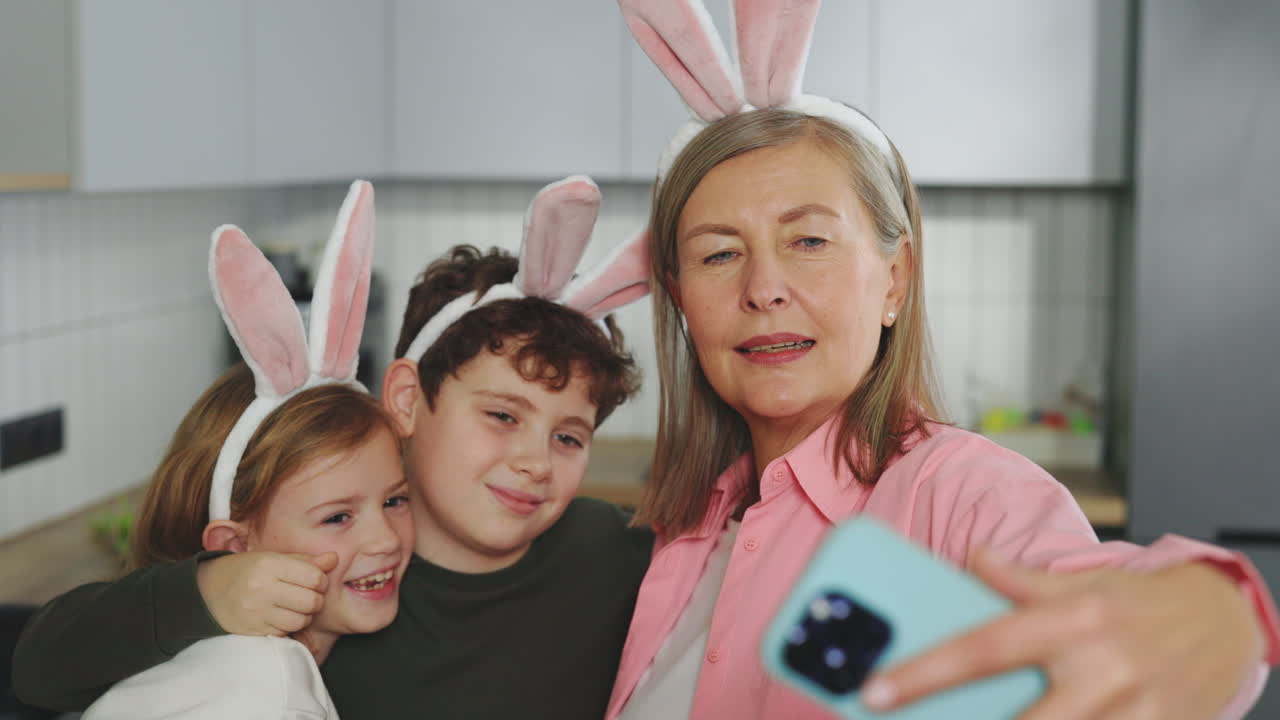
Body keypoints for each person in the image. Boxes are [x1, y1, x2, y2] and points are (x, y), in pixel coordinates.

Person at [605, 2, 1280, 719]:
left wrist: (1212, 614)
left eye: (809, 242)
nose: (763, 289)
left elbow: (1119, 598)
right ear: (679, 299)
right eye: (719, 254)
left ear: (894, 279)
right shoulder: (689, 522)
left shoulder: (962, 496)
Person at [13, 176, 656, 720]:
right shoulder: (314, 578)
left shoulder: (616, 554)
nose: (535, 462)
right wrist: (209, 593)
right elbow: (41, 664)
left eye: (568, 436)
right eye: (499, 415)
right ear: (405, 399)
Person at [78, 180, 414, 718]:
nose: (385, 538)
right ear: (235, 549)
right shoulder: (266, 692)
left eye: (395, 501)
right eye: (337, 517)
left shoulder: (233, 664)